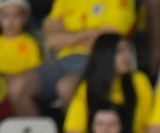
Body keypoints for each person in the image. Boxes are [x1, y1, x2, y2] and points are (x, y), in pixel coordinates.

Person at [4, 0, 136, 117]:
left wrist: (67, 37)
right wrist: (91, 32)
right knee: (17, 87)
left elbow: (108, 39)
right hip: (61, 62)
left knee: (66, 87)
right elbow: (51, 40)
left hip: (98, 60)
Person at [56, 33, 153, 133]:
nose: (127, 56)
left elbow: (147, 124)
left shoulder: (139, 81)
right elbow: (74, 132)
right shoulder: (87, 88)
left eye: (129, 50)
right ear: (105, 55)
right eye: (120, 51)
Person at [0, 0, 40, 80]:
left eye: (16, 16)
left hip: (20, 82)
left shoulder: (29, 42)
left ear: (24, 19)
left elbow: (35, 70)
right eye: (6, 16)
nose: (10, 21)